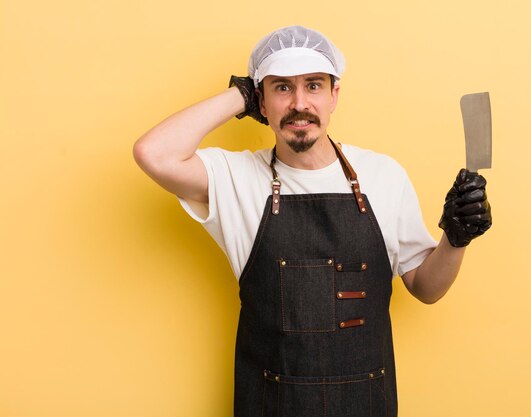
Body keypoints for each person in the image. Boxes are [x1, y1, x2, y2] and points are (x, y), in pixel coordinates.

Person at [133, 25, 491, 417]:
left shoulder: (384, 175)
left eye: (314, 85)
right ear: (261, 102)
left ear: (335, 95)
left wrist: (456, 240)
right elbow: (153, 153)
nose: (300, 103)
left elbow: (426, 288)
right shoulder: (236, 178)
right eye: (282, 87)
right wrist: (239, 94)